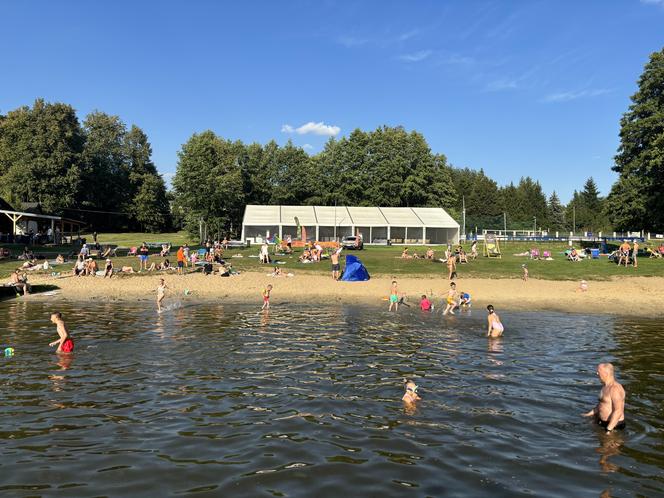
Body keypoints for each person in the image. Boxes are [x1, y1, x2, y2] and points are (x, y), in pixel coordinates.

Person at [583, 363, 626, 432]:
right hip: (603, 423)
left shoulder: (615, 389)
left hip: (614, 426)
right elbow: (602, 404)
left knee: (608, 442)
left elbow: (618, 411)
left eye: (599, 372)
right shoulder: (605, 386)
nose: (597, 374)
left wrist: (608, 430)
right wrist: (588, 414)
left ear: (606, 374)